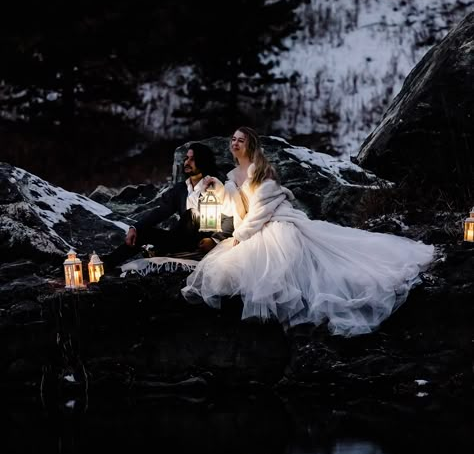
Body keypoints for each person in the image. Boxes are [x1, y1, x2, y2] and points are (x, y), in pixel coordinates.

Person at [181, 127, 436, 337]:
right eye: (233, 139)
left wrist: (240, 236)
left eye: (241, 140)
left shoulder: (261, 171)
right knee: (230, 268)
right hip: (251, 227)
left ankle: (301, 321)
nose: (235, 143)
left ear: (250, 145)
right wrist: (220, 189)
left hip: (274, 223)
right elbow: (237, 210)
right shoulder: (231, 175)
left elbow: (261, 210)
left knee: (286, 263)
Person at [103, 142, 233, 271]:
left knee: (191, 214)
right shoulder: (181, 189)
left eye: (193, 159)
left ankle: (158, 250)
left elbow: (229, 218)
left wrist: (214, 240)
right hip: (179, 240)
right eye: (186, 158)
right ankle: (105, 265)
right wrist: (135, 228)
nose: (187, 162)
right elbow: (161, 212)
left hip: (202, 241)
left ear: (203, 161)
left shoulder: (215, 184)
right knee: (142, 233)